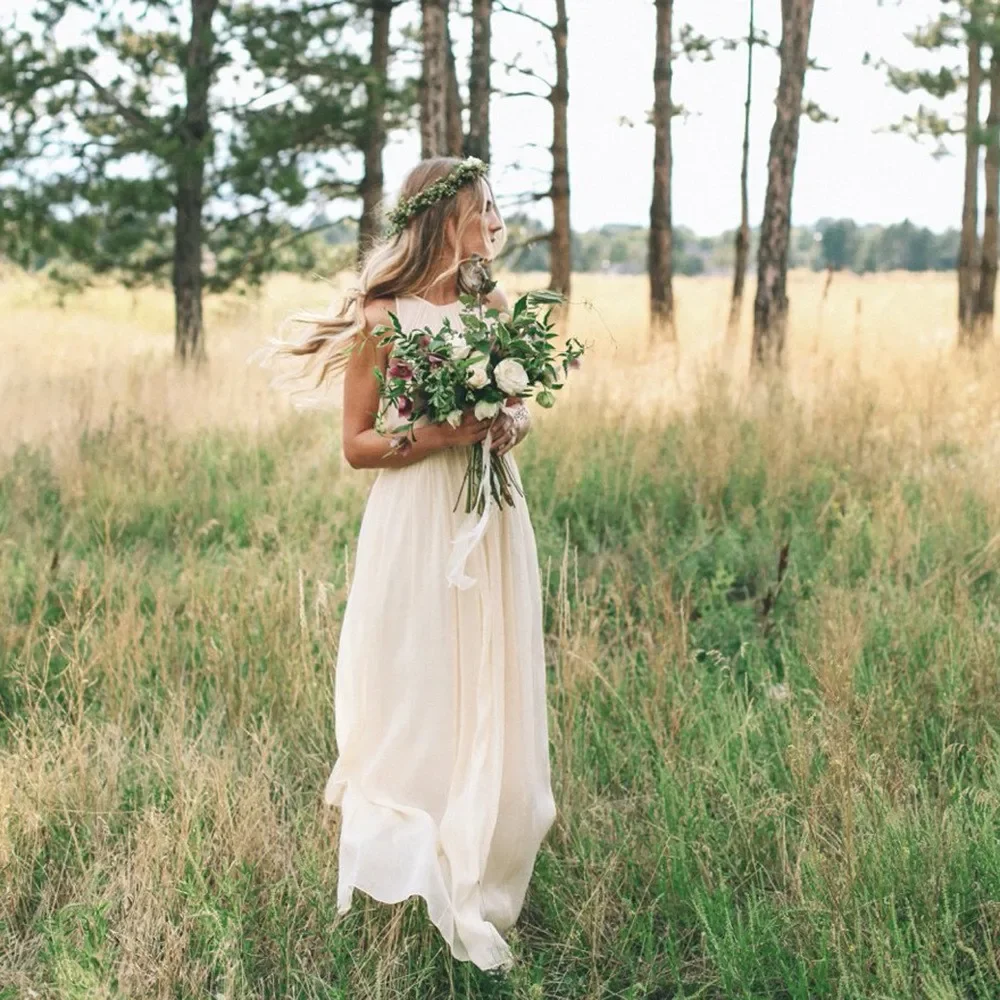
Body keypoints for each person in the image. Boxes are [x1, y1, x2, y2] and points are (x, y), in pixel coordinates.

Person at [264, 156, 557, 973]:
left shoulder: (490, 302)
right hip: (416, 519)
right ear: (446, 217)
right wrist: (441, 434)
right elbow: (357, 446)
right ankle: (408, 846)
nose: (497, 224)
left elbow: (523, 406)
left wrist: (509, 424)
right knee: (417, 677)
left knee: (487, 673)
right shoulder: (382, 316)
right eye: (485, 209)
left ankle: (483, 845)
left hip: (491, 515)